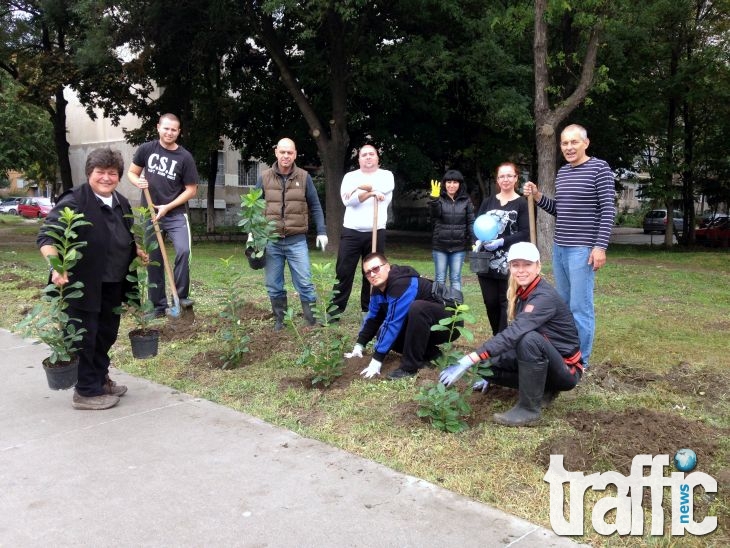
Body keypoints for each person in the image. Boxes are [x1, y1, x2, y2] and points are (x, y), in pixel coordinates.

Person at [38, 148, 145, 410]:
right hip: (83, 283)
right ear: (90, 174)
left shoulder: (121, 201)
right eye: (101, 172)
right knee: (86, 336)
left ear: (119, 176)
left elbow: (120, 234)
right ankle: (85, 391)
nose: (106, 178)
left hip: (114, 281)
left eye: (112, 173)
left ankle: (99, 379)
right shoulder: (75, 200)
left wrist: (135, 249)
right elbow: (47, 237)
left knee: (106, 334)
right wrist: (57, 265)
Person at [440, 242, 583, 426]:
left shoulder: (543, 297)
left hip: (566, 370)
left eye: (527, 264)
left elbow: (515, 333)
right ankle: (545, 389)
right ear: (509, 267)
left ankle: (528, 409)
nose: (521, 270)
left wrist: (468, 359)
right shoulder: (523, 292)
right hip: (547, 362)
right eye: (516, 265)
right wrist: (485, 367)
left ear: (538, 266)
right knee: (485, 366)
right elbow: (508, 341)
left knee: (528, 339)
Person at [523, 124, 616, 368]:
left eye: (574, 142)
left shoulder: (599, 168)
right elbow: (559, 211)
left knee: (580, 306)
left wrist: (600, 246)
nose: (569, 147)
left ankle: (581, 361)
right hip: (560, 248)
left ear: (586, 143)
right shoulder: (563, 172)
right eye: (564, 143)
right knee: (562, 305)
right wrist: (538, 197)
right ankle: (566, 351)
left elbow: (608, 210)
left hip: (582, 250)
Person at [345, 252, 462, 380]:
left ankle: (410, 367)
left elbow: (393, 323)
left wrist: (376, 361)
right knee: (381, 334)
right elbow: (373, 319)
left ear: (387, 266)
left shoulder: (401, 284)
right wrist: (359, 346)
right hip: (425, 327)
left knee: (418, 308)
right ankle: (431, 354)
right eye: (367, 272)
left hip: (449, 323)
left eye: (376, 268)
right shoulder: (377, 291)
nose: (372, 274)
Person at [128, 113, 198, 317]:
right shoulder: (146, 149)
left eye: (174, 130)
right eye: (166, 128)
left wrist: (168, 206)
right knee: (154, 259)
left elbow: (191, 189)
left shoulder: (185, 157)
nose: (169, 132)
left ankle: (181, 297)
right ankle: (158, 306)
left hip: (175, 214)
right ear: (158, 127)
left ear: (179, 132)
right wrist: (137, 181)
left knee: (184, 251)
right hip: (150, 213)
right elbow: (132, 172)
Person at [256, 137, 328, 330]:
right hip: (271, 241)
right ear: (276, 153)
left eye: (290, 152)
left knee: (305, 282)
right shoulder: (264, 177)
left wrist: (321, 230)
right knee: (273, 284)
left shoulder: (304, 177)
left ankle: (311, 322)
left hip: (297, 241)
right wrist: (252, 234)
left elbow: (315, 205)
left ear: (295, 154)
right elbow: (253, 207)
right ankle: (281, 320)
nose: (286, 156)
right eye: (282, 152)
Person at [329, 145, 394, 319]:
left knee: (374, 272)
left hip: (376, 230)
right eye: (364, 155)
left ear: (377, 157)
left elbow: (384, 189)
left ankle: (369, 309)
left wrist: (359, 188)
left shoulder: (387, 176)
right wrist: (371, 192)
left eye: (371, 154)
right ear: (358, 160)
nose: (367, 157)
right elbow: (348, 202)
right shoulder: (350, 176)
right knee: (343, 270)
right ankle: (335, 310)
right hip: (351, 231)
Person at [475, 162, 530, 334]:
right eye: (501, 176)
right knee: (490, 302)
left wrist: (501, 241)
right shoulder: (488, 202)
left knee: (506, 302)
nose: (505, 179)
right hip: (485, 262)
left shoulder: (522, 203)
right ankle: (497, 339)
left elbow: (525, 232)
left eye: (509, 175)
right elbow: (478, 225)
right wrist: (477, 241)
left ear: (515, 178)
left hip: (509, 262)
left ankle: (503, 345)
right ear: (497, 180)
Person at [429, 169, 475, 291]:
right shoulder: (439, 198)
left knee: (455, 278)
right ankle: (440, 307)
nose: (451, 185)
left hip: (459, 247)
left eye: (455, 182)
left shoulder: (466, 200)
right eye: (449, 182)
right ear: (444, 183)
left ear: (460, 184)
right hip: (440, 246)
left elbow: (471, 222)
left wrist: (474, 241)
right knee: (440, 278)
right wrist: (434, 200)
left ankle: (456, 307)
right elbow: (434, 215)